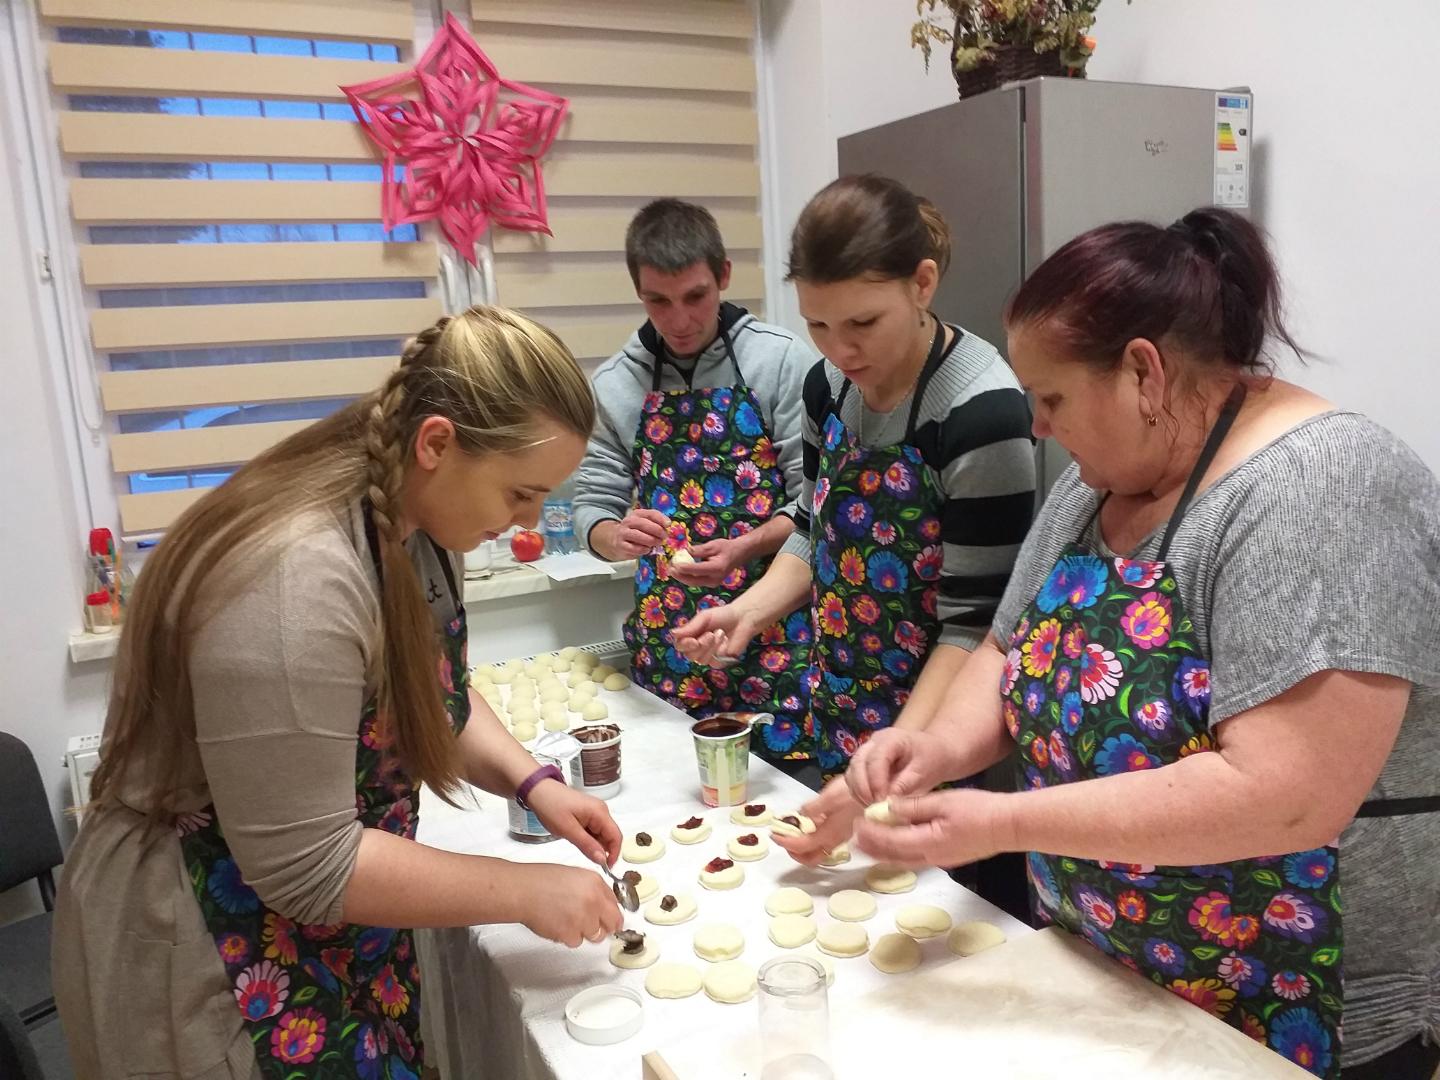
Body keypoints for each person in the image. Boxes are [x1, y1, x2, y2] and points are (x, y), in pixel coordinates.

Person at [844, 209, 1440, 1080]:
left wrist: (1002, 822)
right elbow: (1006, 651)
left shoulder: (1323, 491)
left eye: (1051, 399)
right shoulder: (1097, 487)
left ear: (1142, 372)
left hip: (1291, 1009)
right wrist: (936, 748)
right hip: (1106, 971)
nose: (1037, 427)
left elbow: (1284, 795)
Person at [53, 308, 627, 1080]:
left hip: (323, 920)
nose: (528, 522)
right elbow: (309, 863)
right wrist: (525, 891)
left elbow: (431, 695)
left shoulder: (418, 527)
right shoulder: (295, 578)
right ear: (436, 445)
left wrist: (533, 783)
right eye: (520, 493)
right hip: (207, 932)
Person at [676, 174, 1036, 820]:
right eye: (817, 323)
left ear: (922, 284)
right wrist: (748, 612)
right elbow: (813, 531)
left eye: (863, 322)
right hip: (838, 701)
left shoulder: (981, 413)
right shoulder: (828, 388)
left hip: (936, 732)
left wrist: (899, 754)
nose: (839, 349)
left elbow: (975, 625)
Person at [574, 198, 818, 766]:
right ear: (638, 292)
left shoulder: (781, 362)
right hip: (672, 638)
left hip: (777, 635)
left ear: (723, 275)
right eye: (658, 301)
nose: (679, 320)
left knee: (784, 796)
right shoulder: (616, 383)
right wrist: (614, 535)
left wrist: (746, 546)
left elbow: (813, 501)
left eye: (695, 296)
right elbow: (593, 503)